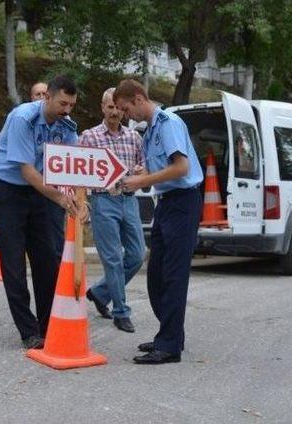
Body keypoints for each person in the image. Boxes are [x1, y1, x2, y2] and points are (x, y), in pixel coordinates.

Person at [0, 75, 87, 349]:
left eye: (72, 105)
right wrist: (60, 198)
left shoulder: (67, 126)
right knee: (14, 263)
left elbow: (74, 165)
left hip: (40, 190)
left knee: (46, 261)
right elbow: (26, 170)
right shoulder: (23, 118)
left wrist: (80, 199)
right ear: (47, 97)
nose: (67, 110)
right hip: (8, 188)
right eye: (62, 103)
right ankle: (29, 331)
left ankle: (48, 325)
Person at [113, 79, 203, 364]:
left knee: (174, 276)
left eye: (126, 109)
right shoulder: (151, 130)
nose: (126, 115)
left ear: (139, 98)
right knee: (156, 276)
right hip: (166, 203)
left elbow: (181, 167)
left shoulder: (168, 123)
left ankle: (169, 346)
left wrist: (142, 180)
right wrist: (144, 169)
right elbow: (163, 166)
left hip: (183, 202)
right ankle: (171, 334)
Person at [79, 87, 146, 333]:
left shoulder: (134, 137)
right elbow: (79, 170)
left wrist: (142, 170)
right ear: (102, 107)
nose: (115, 112)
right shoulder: (89, 136)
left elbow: (144, 163)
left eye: (118, 108)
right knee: (113, 258)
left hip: (129, 200)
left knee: (138, 255)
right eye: (110, 107)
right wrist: (83, 200)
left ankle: (99, 292)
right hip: (103, 200)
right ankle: (120, 311)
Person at [29, 81, 67, 260]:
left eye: (44, 93)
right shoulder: (25, 119)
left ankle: (57, 271)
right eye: (38, 94)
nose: (42, 97)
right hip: (30, 187)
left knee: (55, 237)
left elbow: (73, 156)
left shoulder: (65, 124)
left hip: (53, 190)